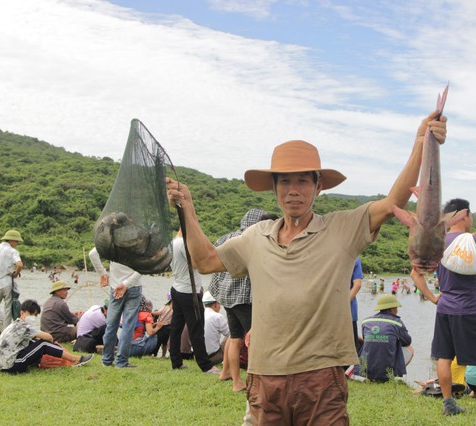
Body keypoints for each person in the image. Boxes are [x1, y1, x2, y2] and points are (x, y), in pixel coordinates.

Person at [166, 109, 447, 423]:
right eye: (284, 181)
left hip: (322, 380)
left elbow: (393, 201)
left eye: (303, 180)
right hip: (264, 379)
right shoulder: (255, 237)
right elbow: (204, 260)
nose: (293, 189)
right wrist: (187, 209)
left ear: (319, 186)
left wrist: (421, 143)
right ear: (273, 188)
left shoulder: (342, 229)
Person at [411, 198, 476, 416]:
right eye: (472, 214)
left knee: (444, 356)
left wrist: (433, 298)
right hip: (467, 307)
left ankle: (449, 403)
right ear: (465, 214)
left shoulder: (437, 241)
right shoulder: (470, 241)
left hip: (444, 307)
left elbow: (415, 274)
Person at [209, 208, 273, 391]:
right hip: (245, 298)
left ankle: (231, 376)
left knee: (235, 338)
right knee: (255, 340)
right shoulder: (253, 240)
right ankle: (255, 381)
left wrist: (218, 293)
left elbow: (213, 265)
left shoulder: (225, 238)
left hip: (226, 297)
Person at [168, 230, 219, 373]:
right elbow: (197, 265)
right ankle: (206, 365)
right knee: (196, 329)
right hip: (189, 292)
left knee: (176, 327)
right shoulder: (184, 244)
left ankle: (176, 361)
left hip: (177, 288)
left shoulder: (172, 242)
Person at [0, 299, 93, 373]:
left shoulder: (15, 324)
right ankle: (74, 359)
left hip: (3, 365)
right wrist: (51, 342)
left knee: (35, 342)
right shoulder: (24, 327)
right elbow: (49, 337)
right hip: (11, 366)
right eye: (31, 314)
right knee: (43, 345)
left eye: (35, 315)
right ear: (22, 313)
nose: (33, 318)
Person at [88, 246, 142, 368]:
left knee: (111, 325)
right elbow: (142, 268)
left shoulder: (111, 240)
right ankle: (121, 362)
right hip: (133, 287)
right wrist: (127, 284)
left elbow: (92, 254)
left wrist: (103, 273)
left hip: (115, 286)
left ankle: (106, 360)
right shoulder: (138, 242)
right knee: (128, 326)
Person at [358, 294, 412, 382]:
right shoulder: (397, 323)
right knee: (410, 348)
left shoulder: (366, 321)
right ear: (391, 309)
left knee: (368, 343)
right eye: (396, 308)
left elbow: (365, 339)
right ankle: (391, 374)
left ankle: (368, 375)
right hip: (387, 370)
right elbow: (407, 341)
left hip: (366, 370)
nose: (397, 311)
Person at [202, 291, 230, 366]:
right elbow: (230, 333)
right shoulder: (218, 317)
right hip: (214, 357)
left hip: (199, 357)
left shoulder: (199, 315)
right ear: (215, 304)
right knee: (234, 336)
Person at [349, 258, 364, 354]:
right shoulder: (353, 257)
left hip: (324, 312)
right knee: (353, 348)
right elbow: (357, 285)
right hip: (349, 311)